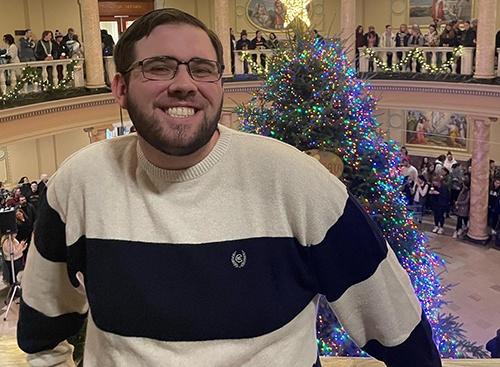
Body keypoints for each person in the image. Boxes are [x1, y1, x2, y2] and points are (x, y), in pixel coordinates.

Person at [17, 8, 442, 367]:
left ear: (219, 85)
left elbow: (400, 329)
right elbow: (42, 330)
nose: (184, 83)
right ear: (121, 89)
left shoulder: (298, 182)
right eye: (159, 67)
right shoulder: (79, 182)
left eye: (202, 69)